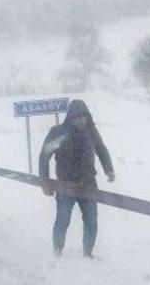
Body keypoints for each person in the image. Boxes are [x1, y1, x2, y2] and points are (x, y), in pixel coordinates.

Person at [38, 99, 115, 258]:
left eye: (84, 117)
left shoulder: (91, 132)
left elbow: (101, 149)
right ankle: (57, 250)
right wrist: (45, 181)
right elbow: (45, 155)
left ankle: (88, 252)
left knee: (91, 221)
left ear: (88, 117)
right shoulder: (59, 133)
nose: (81, 120)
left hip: (88, 185)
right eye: (77, 117)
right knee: (62, 220)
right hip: (66, 186)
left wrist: (109, 170)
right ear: (70, 117)